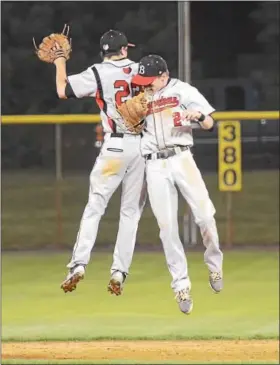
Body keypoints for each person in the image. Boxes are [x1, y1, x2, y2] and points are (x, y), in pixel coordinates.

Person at [54, 30, 146, 295]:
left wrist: (60, 61)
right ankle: (119, 271)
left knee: (95, 208)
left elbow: (63, 91)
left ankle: (79, 265)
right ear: (124, 49)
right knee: (130, 213)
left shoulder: (97, 72)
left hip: (113, 146)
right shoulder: (142, 70)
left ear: (104, 52)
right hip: (141, 147)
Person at [132, 55, 223, 314]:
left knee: (205, 217)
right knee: (167, 227)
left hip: (181, 158)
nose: (146, 85)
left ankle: (214, 265)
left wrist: (200, 115)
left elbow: (209, 124)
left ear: (163, 76)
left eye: (150, 80)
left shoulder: (183, 90)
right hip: (154, 165)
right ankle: (181, 285)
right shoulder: (140, 99)